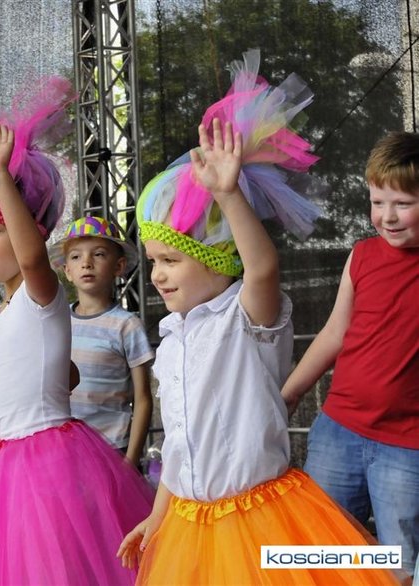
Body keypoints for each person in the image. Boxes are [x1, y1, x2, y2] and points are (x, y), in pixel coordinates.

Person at [117, 50, 398, 584]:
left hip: (263, 519)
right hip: (189, 528)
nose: (157, 276)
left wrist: (227, 194)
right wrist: (156, 517)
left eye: (171, 260)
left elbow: (263, 266)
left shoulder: (246, 317)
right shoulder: (170, 340)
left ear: (216, 258)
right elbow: (180, 445)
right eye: (153, 262)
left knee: (377, 563)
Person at [0, 77, 154, 586]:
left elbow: (34, 258)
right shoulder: (3, 311)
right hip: (7, 459)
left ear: (28, 232)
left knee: (59, 564)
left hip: (47, 459)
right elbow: (61, 372)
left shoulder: (39, 294)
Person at [281, 131, 419, 580]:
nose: (387, 216)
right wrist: (289, 393)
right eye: (378, 202)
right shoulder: (362, 255)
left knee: (397, 565)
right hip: (337, 431)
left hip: (408, 447)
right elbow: (334, 333)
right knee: (322, 553)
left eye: (403, 203)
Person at [50, 216, 154, 465]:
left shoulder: (127, 325)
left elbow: (143, 399)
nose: (86, 263)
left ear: (118, 266)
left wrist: (130, 461)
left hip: (112, 450)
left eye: (98, 254)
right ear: (67, 271)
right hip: (65, 449)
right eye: (76, 257)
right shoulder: (57, 322)